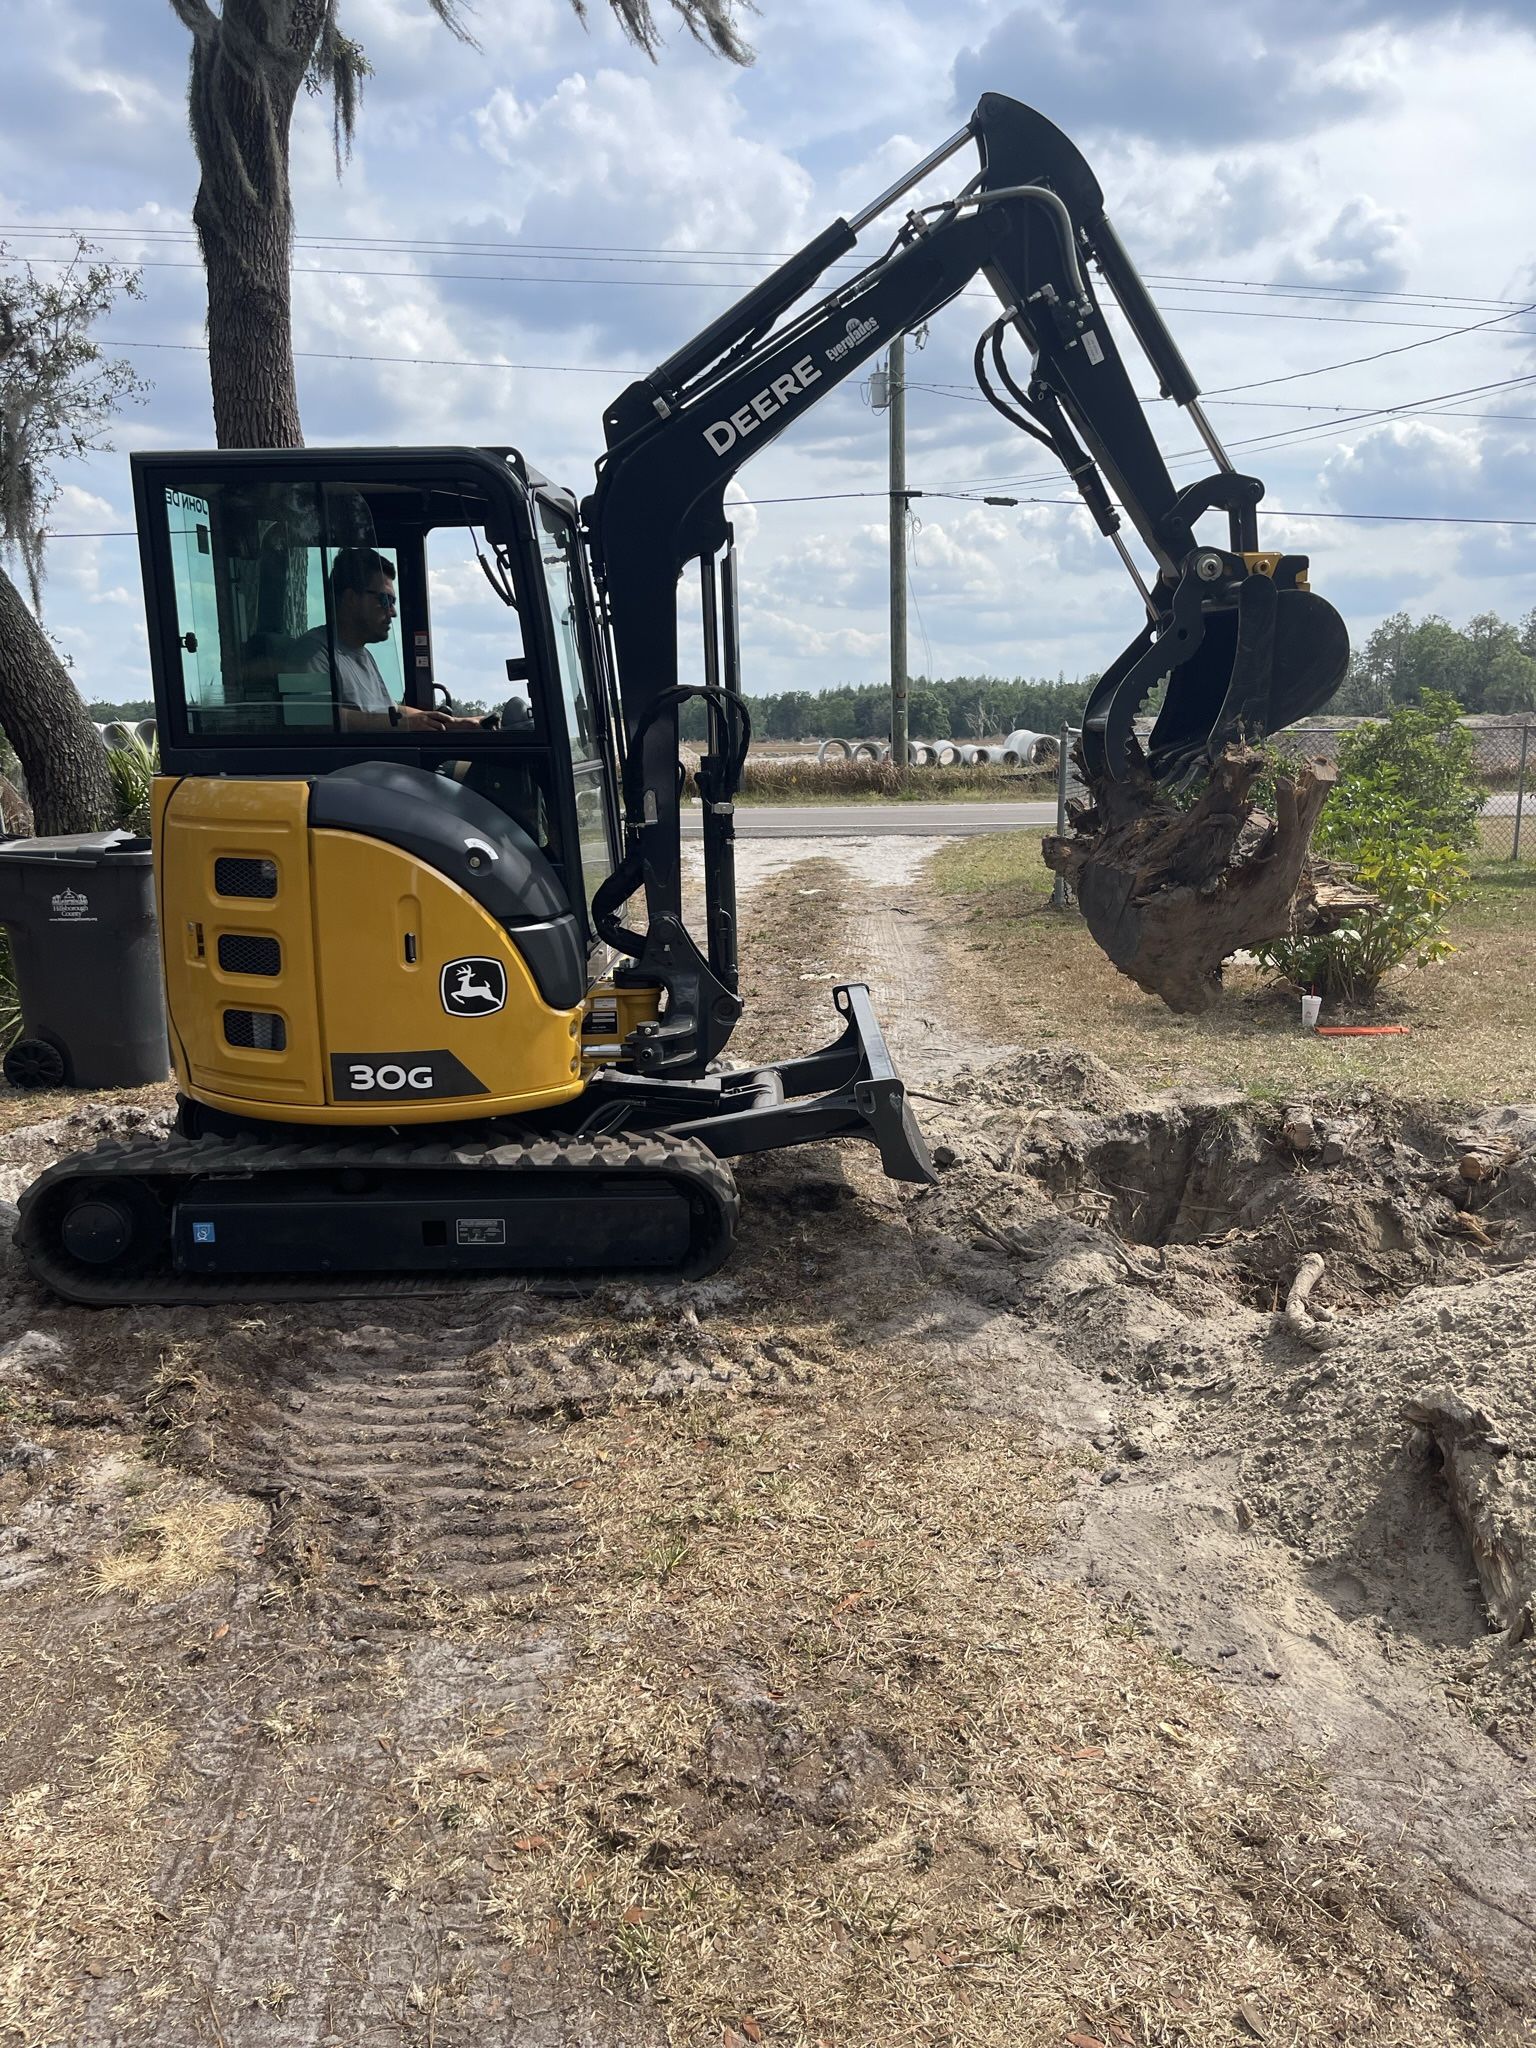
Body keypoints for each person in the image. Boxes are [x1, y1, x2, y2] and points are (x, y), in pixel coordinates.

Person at [301, 549, 476, 732]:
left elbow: (390, 711)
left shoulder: (363, 655)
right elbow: (317, 717)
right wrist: (404, 724)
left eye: (393, 602)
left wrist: (452, 723)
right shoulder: (314, 652)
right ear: (351, 598)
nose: (393, 612)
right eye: (385, 600)